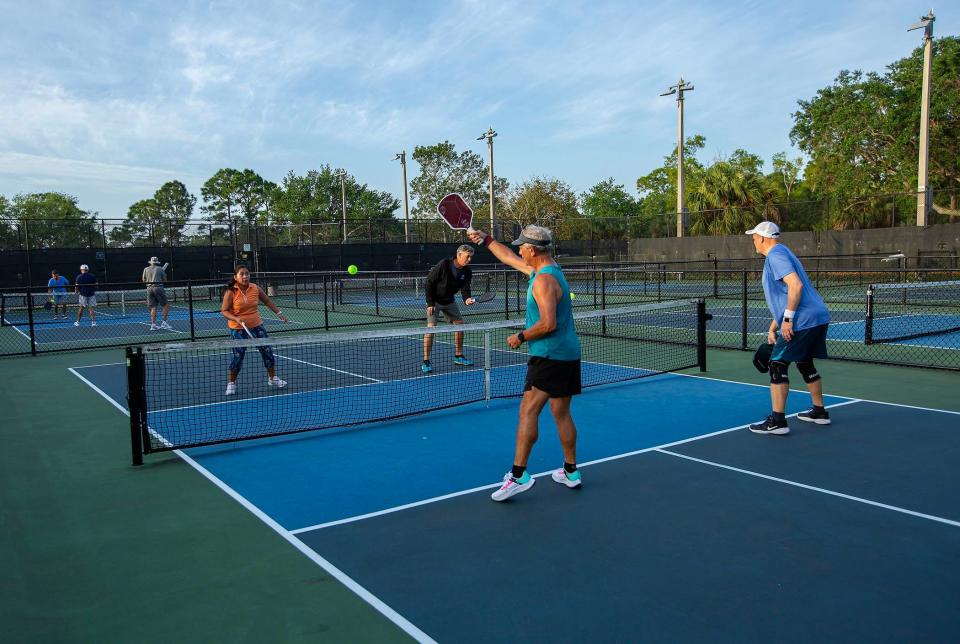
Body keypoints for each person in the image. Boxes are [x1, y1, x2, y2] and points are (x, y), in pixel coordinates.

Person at [468, 225, 583, 501]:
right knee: (562, 413)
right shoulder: (547, 271)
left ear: (532, 250)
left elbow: (548, 323)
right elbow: (507, 257)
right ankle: (571, 472)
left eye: (522, 246)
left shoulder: (543, 281)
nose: (519, 249)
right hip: (567, 354)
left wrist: (520, 336)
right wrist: (485, 240)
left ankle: (519, 475)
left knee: (528, 411)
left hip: (548, 355)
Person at [746, 221, 832, 435]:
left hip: (802, 320)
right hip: (817, 317)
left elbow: (796, 285)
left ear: (763, 238)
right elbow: (788, 295)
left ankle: (777, 421)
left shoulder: (775, 255)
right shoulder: (784, 252)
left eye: (754, 236)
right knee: (804, 362)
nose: (753, 240)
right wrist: (774, 325)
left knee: (777, 364)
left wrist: (788, 321)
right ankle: (819, 412)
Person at [220, 265, 290, 396]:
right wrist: (236, 318)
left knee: (267, 351)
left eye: (247, 274)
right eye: (242, 274)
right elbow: (224, 311)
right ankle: (231, 383)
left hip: (257, 325)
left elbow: (267, 301)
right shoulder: (230, 292)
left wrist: (279, 313)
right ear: (236, 277)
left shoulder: (255, 288)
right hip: (238, 328)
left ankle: (272, 378)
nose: (245, 276)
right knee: (238, 356)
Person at [421, 244, 478, 373]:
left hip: (449, 300)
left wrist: (467, 298)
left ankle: (458, 356)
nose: (469, 259)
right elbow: (429, 282)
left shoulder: (467, 271)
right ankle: (426, 361)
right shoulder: (444, 264)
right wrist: (430, 303)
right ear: (459, 255)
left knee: (460, 325)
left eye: (471, 257)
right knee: (431, 328)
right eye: (467, 256)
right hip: (435, 301)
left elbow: (465, 287)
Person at [142, 257, 172, 331]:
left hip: (149, 289)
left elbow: (143, 280)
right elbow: (165, 280)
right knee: (165, 305)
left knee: (153, 307)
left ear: (151, 262)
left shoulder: (146, 269)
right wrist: (161, 277)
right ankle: (164, 323)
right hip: (158, 288)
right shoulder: (160, 269)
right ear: (157, 262)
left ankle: (153, 325)